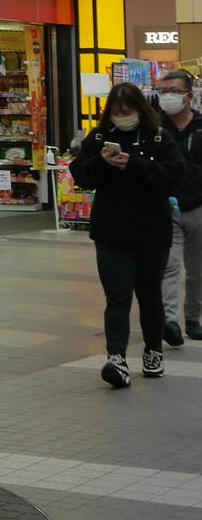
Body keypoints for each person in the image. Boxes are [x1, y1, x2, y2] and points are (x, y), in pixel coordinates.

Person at [69, 82, 184, 388]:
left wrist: (135, 164)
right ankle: (116, 359)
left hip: (152, 230)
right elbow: (80, 174)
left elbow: (174, 176)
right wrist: (102, 163)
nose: (122, 117)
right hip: (111, 230)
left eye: (128, 111)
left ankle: (153, 351)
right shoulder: (99, 137)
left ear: (140, 109)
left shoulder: (159, 137)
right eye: (116, 112)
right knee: (117, 296)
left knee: (150, 295)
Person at [157, 70, 202, 344]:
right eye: (163, 91)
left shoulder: (200, 126)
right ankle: (170, 322)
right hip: (165, 207)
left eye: (174, 91)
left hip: (198, 207)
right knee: (169, 266)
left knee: (197, 269)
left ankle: (193, 318)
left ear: (188, 95)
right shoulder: (155, 128)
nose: (167, 96)